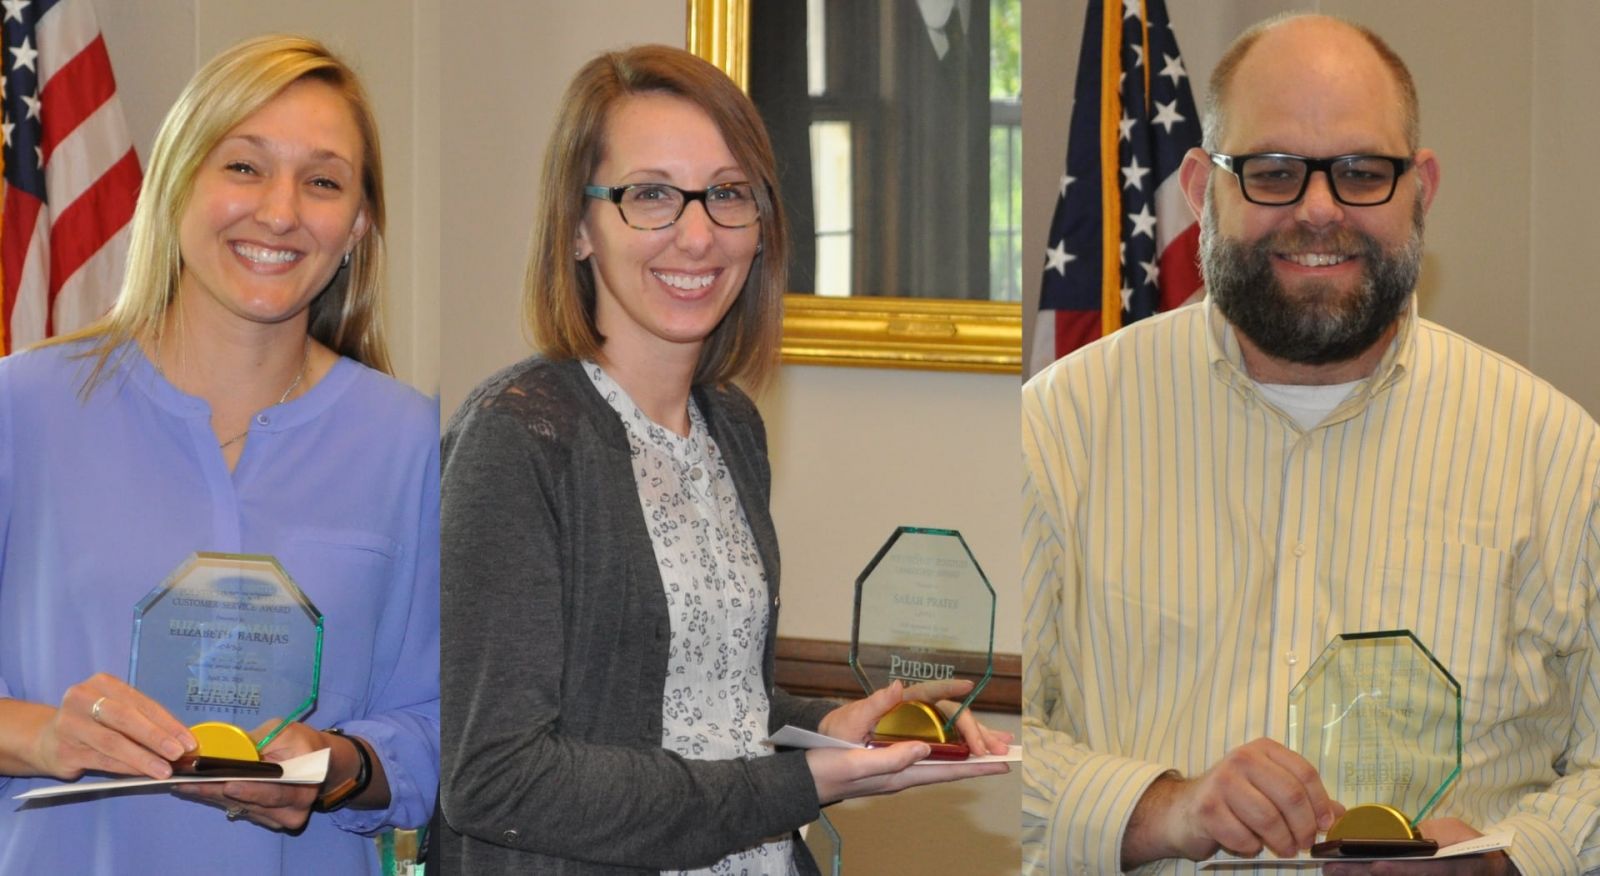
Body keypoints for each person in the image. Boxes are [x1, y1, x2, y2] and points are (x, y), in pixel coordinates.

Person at [1021, 13, 1599, 876]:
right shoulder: (1058, 429)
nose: (1319, 210)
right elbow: (988, 745)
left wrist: (1509, 861)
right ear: (1198, 186)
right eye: (1273, 172)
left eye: (1363, 172)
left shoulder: (1556, 454)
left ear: (1422, 188)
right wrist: (1164, 807)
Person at [439, 44, 1011, 874]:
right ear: (577, 228)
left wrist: (830, 724)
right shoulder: (519, 436)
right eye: (652, 195)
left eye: (728, 194)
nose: (698, 234)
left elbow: (684, 698)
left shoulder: (731, 426)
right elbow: (495, 778)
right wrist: (803, 782)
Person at [0, 35, 439, 874]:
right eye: (243, 167)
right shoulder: (22, 409)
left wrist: (337, 769)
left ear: (357, 225)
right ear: (174, 186)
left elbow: (440, 725)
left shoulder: (409, 440)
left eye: (322, 181)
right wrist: (44, 734)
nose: (280, 212)